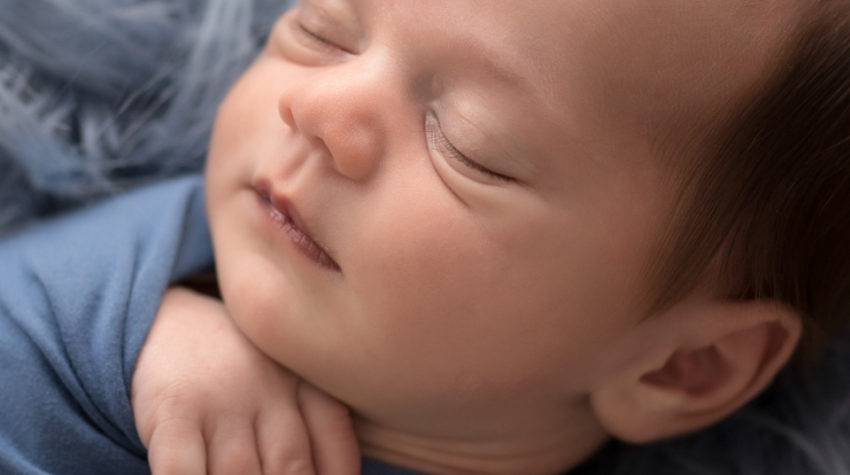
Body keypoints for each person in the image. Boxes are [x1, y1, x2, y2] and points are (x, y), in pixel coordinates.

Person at [1, 0, 849, 474]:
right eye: (324, 30)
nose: (321, 112)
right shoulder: (148, 272)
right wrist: (135, 331)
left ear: (682, 365)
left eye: (468, 144)